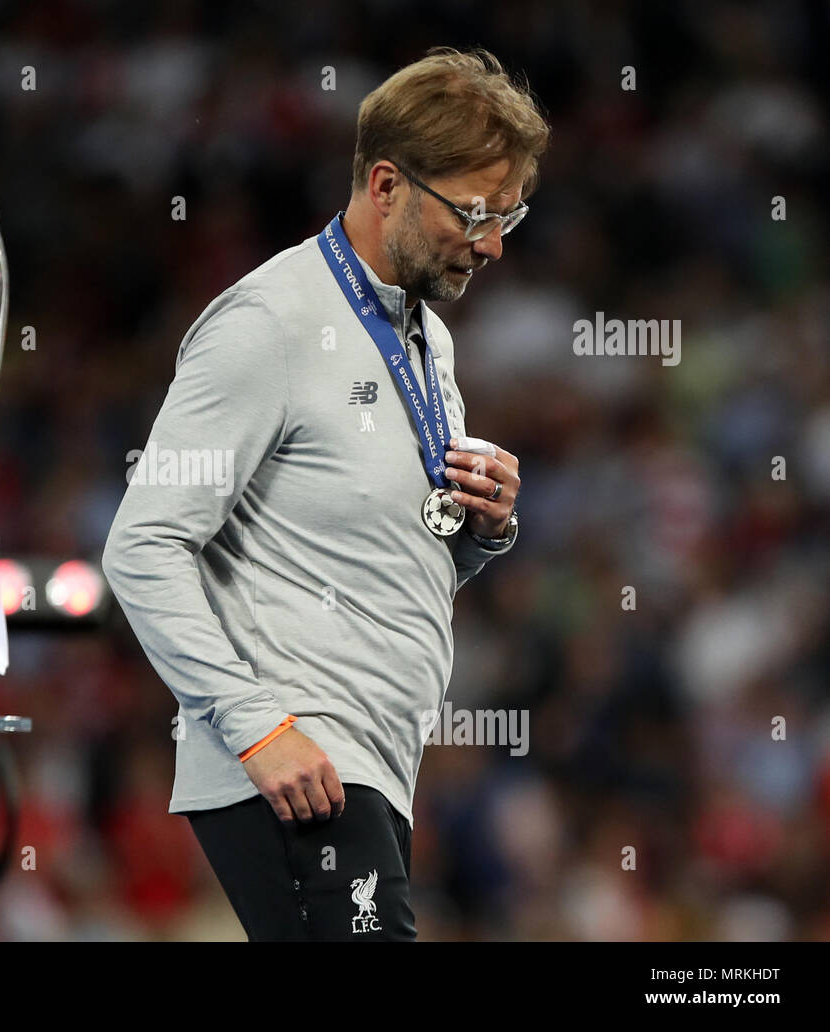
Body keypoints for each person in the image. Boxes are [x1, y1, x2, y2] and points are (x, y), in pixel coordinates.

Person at [100, 47, 550, 941]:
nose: (494, 243)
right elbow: (142, 546)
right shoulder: (271, 322)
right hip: (298, 754)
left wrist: (479, 532)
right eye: (475, 212)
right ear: (387, 184)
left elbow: (372, 563)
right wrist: (261, 728)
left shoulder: (427, 343)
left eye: (511, 215)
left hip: (374, 757)